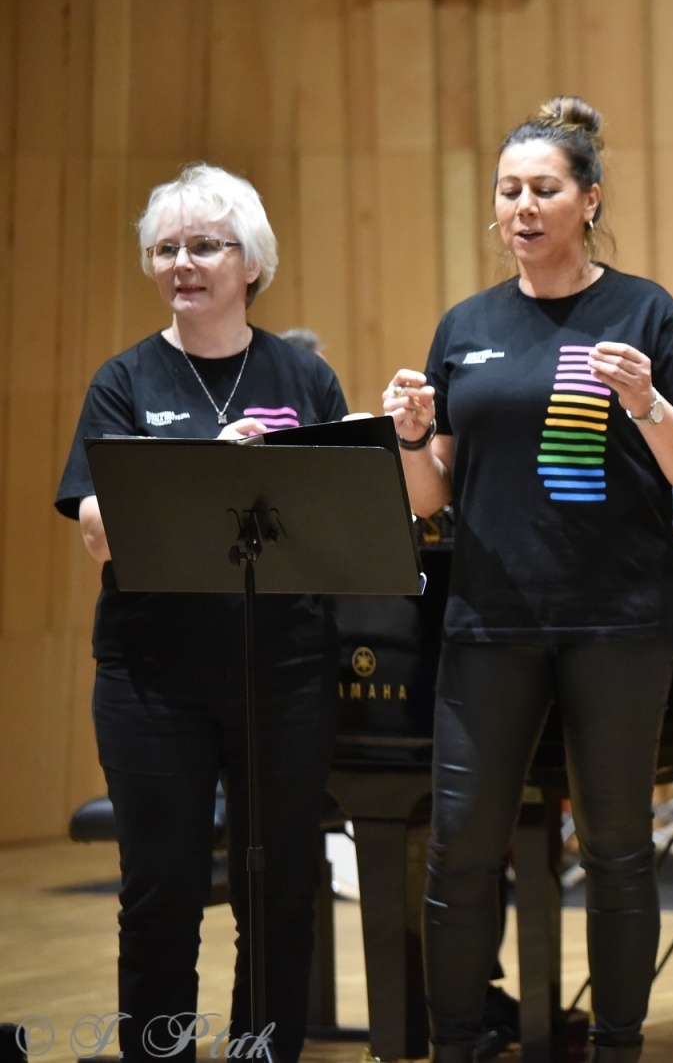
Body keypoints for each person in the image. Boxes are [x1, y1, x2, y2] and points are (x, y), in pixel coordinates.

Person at [380, 96, 673, 1063]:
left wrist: (651, 403)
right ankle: (459, 1041)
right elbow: (428, 499)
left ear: (589, 201)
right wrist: (410, 435)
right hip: (490, 621)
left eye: (544, 190)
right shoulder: (468, 324)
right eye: (508, 191)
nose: (522, 207)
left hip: (618, 621)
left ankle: (617, 1044)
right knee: (459, 848)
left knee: (615, 851)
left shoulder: (645, 310)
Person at [55, 164, 348, 1063]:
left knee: (280, 895)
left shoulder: (302, 376)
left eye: (205, 245)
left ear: (250, 261)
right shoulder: (125, 380)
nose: (184, 263)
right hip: (153, 679)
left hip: (284, 670)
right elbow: (98, 529)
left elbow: (344, 518)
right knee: (161, 896)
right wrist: (206, 462)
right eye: (166, 248)